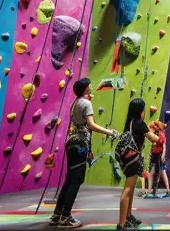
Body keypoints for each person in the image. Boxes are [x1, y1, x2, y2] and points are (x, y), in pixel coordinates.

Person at [50, 78, 118, 228]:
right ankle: (66, 216)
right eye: (89, 85)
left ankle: (57, 214)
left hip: (72, 143)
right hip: (80, 143)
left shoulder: (75, 103)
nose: (91, 86)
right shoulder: (86, 103)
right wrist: (110, 132)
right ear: (85, 88)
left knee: (69, 179)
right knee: (77, 180)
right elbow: (91, 125)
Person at [116, 98, 159, 230]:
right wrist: (157, 130)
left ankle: (128, 217)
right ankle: (121, 224)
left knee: (131, 189)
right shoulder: (139, 123)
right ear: (141, 110)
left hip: (128, 159)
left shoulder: (130, 122)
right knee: (128, 189)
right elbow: (154, 139)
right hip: (133, 159)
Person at [146, 121, 170, 198]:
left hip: (159, 156)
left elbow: (164, 146)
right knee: (152, 172)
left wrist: (163, 155)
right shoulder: (155, 134)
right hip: (154, 155)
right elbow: (153, 142)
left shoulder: (161, 134)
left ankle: (167, 190)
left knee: (161, 173)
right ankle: (150, 190)